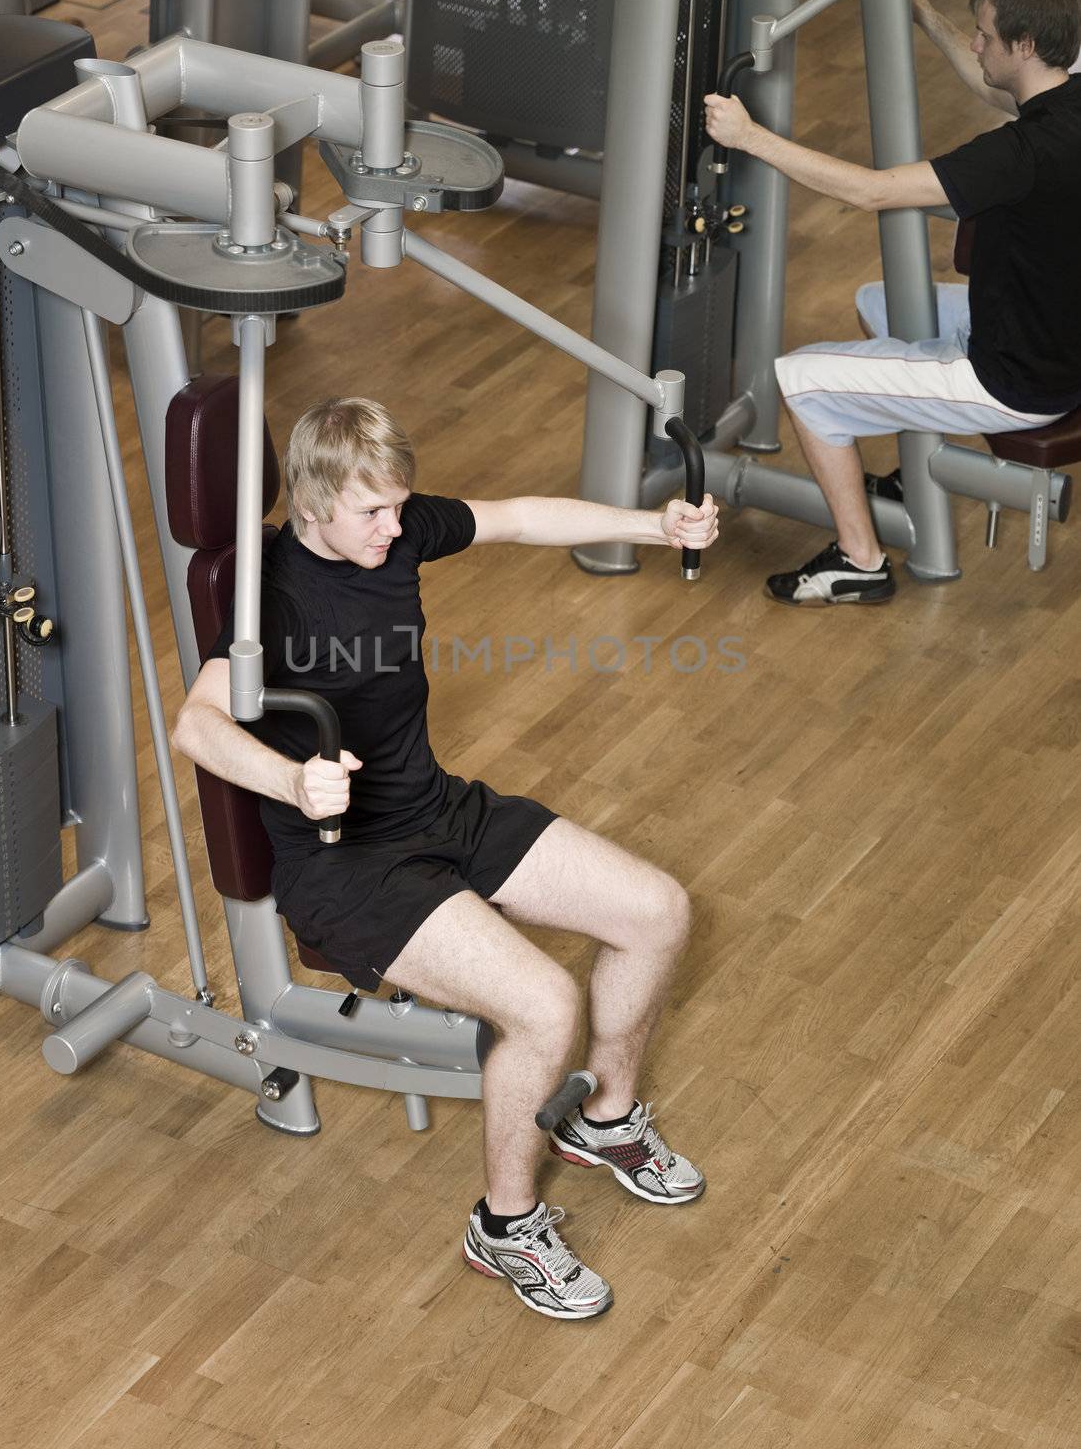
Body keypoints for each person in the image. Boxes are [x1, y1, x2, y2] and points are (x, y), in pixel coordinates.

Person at [172, 396, 719, 1321]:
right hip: (346, 863)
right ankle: (504, 1227)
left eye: (399, 506)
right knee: (545, 1005)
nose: (395, 527)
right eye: (371, 512)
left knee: (658, 911)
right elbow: (196, 721)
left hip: (435, 810)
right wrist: (289, 781)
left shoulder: (391, 529)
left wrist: (652, 524)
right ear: (310, 505)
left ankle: (608, 1119)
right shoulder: (274, 588)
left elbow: (514, 517)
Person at [704, 0, 1081, 606]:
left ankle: (860, 561)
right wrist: (923, 14)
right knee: (875, 299)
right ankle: (915, 474)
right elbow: (992, 87)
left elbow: (871, 191)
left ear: (1022, 44)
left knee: (801, 378)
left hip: (1019, 376)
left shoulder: (1019, 155)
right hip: (1050, 329)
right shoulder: (1064, 105)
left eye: (983, 34)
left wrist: (750, 137)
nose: (974, 43)